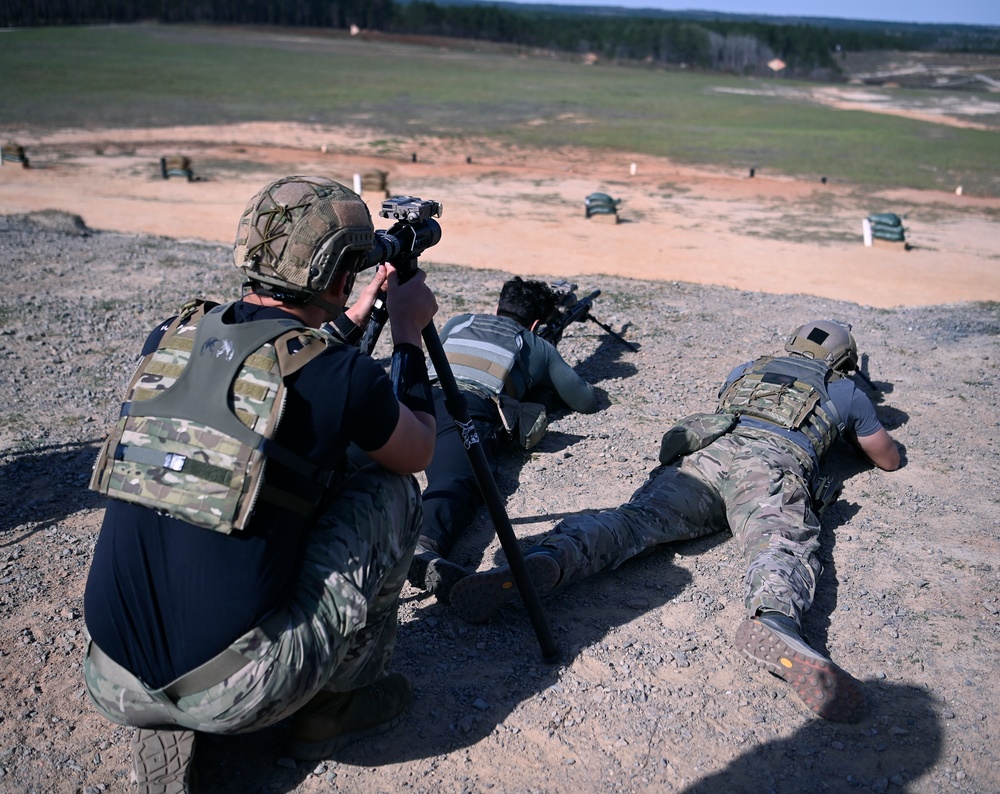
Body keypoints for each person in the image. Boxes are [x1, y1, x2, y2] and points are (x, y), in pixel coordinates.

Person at [82, 175, 439, 792]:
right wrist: (405, 332)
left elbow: (282, 369)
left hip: (110, 672)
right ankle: (330, 709)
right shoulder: (341, 377)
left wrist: (348, 322)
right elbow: (417, 450)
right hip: (240, 693)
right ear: (338, 273)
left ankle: (161, 709)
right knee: (391, 493)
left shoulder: (172, 336)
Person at [450, 320, 901, 724]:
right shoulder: (844, 390)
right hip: (768, 468)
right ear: (842, 361)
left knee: (632, 522)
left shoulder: (748, 368)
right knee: (780, 543)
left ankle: (550, 557)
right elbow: (886, 459)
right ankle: (776, 622)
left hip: (705, 456)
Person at [406, 277, 598, 603]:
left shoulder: (460, 320)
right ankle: (425, 544)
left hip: (413, 396)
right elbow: (585, 400)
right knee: (462, 479)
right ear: (536, 323)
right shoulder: (536, 345)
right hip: (464, 406)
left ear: (497, 308)